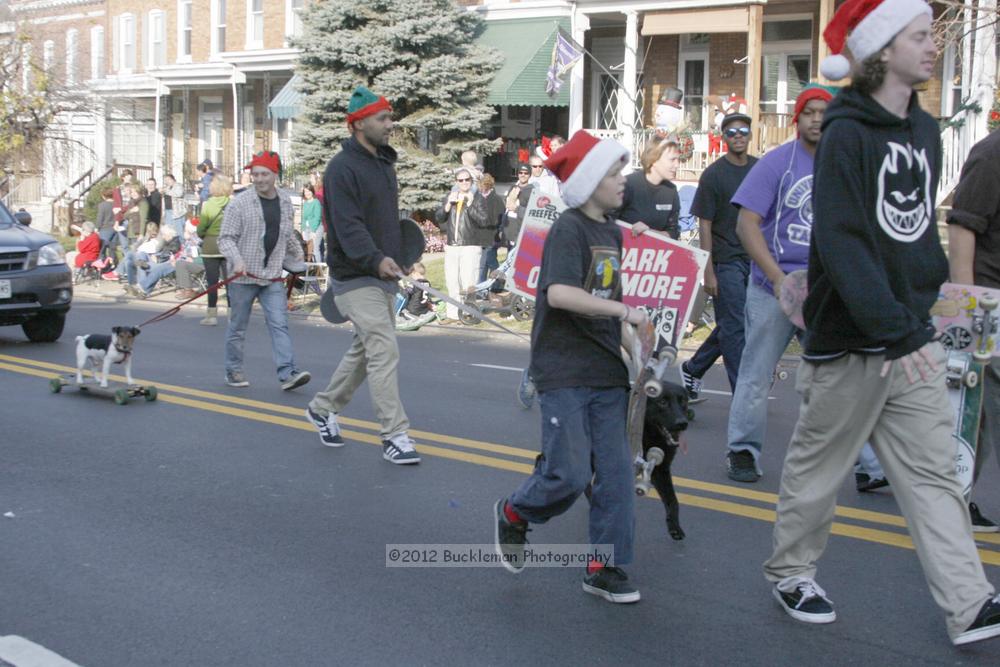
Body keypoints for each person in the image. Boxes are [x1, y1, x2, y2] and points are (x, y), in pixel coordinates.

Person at [764, 1, 1000, 646]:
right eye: (920, 38)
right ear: (880, 51)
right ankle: (790, 572)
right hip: (850, 342)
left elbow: (915, 233)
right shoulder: (846, 133)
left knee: (933, 473)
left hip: (911, 336)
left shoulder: (921, 133)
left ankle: (969, 601)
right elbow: (843, 242)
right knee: (821, 468)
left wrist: (934, 308)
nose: (932, 48)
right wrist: (895, 330)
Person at [493, 130, 649, 602]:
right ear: (587, 182)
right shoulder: (569, 229)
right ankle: (516, 514)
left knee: (617, 478)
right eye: (613, 173)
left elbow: (608, 300)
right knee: (571, 474)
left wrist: (634, 349)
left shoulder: (609, 232)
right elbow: (559, 294)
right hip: (563, 369)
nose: (622, 181)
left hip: (606, 372)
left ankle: (603, 567)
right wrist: (624, 314)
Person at [304, 85, 421, 465]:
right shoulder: (341, 169)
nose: (391, 124)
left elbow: (385, 223)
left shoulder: (384, 164)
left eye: (389, 117)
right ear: (358, 124)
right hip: (353, 274)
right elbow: (349, 226)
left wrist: (399, 259)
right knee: (384, 346)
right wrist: (374, 259)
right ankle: (394, 433)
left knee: (365, 349)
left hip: (380, 271)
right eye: (383, 118)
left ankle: (322, 408)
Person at [722, 85, 833, 482]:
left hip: (824, 292)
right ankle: (742, 451)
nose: (817, 118)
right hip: (773, 287)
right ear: (797, 119)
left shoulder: (843, 165)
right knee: (756, 373)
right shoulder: (775, 163)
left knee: (839, 377)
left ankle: (863, 466)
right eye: (809, 112)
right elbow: (744, 225)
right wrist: (778, 279)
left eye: (824, 112)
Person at [679, 112, 757, 409]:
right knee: (736, 328)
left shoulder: (760, 169)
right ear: (723, 138)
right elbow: (704, 225)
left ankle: (694, 368)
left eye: (743, 130)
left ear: (749, 135)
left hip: (755, 261)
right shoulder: (713, 174)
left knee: (738, 322)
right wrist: (708, 271)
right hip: (726, 262)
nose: (738, 135)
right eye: (732, 131)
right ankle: (743, 397)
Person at [217, 151, 311, 391]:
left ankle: (288, 373)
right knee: (237, 327)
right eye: (254, 174)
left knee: (279, 324)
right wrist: (236, 260)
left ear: (275, 175)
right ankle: (233, 370)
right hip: (242, 278)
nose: (258, 179)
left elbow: (287, 233)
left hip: (271, 276)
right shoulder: (239, 203)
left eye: (263, 174)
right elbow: (225, 239)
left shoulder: (285, 201)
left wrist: (298, 257)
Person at [947, 112, 1000, 532]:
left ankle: (953, 503)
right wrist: (967, 308)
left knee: (976, 420)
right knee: (974, 415)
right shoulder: (991, 154)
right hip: (988, 306)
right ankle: (950, 506)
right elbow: (963, 230)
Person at [433, 167, 490, 321]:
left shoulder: (478, 198)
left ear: (471, 181)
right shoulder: (451, 197)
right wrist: (446, 206)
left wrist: (470, 204)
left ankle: (468, 312)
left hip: (470, 245)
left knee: (468, 280)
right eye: (461, 180)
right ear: (456, 182)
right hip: (452, 245)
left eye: (467, 180)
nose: (464, 182)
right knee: (452, 280)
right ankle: (453, 313)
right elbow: (439, 217)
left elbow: (484, 221)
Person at [186, 174, 234, 325]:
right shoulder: (233, 203)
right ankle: (232, 314)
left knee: (212, 282)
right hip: (228, 245)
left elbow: (201, 228)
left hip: (211, 246)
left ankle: (212, 315)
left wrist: (202, 234)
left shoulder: (208, 204)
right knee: (229, 282)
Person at [616, 136, 682, 240]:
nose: (677, 165)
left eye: (678, 159)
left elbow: (674, 232)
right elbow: (606, 222)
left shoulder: (671, 191)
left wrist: (650, 233)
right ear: (654, 160)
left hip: (655, 253)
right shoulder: (627, 185)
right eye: (672, 159)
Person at [477, 173, 506, 283]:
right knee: (485, 262)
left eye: (483, 185)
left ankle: (494, 284)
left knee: (489, 262)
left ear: (488, 185)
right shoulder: (479, 197)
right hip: (481, 236)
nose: (481, 188)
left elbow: (499, 218)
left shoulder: (496, 199)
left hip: (492, 235)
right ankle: (487, 286)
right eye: (480, 185)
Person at [300, 184, 323, 263]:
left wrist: (313, 231)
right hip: (306, 229)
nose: (307, 193)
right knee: (307, 251)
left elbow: (318, 217)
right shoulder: (305, 203)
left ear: (312, 191)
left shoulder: (316, 202)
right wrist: (303, 229)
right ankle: (308, 269)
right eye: (305, 191)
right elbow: (304, 217)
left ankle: (319, 270)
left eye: (309, 191)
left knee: (315, 249)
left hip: (316, 228)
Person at [162, 173, 186, 238]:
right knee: (169, 230)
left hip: (177, 212)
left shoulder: (178, 186)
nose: (166, 182)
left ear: (173, 179)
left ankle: (181, 245)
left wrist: (166, 191)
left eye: (168, 180)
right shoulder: (168, 187)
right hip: (168, 211)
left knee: (179, 230)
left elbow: (179, 194)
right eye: (165, 180)